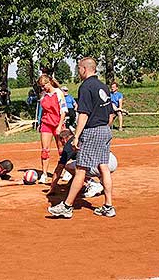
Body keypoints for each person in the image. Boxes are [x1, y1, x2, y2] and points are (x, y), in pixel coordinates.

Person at [48, 57, 115, 218]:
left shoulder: (85, 87)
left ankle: (67, 206)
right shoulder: (103, 86)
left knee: (80, 169)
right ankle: (108, 206)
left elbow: (83, 113)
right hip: (105, 130)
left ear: (85, 69)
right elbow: (111, 113)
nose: (78, 71)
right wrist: (104, 126)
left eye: (78, 68)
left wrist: (76, 136)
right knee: (103, 167)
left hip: (92, 131)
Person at [46, 129, 117, 197]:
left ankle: (93, 184)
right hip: (111, 161)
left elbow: (59, 168)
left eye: (62, 142)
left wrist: (52, 188)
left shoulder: (69, 144)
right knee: (83, 162)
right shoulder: (82, 137)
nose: (62, 144)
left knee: (69, 166)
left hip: (99, 165)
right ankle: (103, 184)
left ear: (64, 139)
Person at [37, 74, 68, 184]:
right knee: (45, 150)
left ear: (49, 82)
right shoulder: (43, 95)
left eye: (44, 85)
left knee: (62, 149)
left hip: (57, 123)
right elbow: (42, 110)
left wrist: (60, 126)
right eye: (41, 86)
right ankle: (44, 174)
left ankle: (65, 171)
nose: (43, 87)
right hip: (46, 123)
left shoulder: (58, 93)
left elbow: (63, 110)